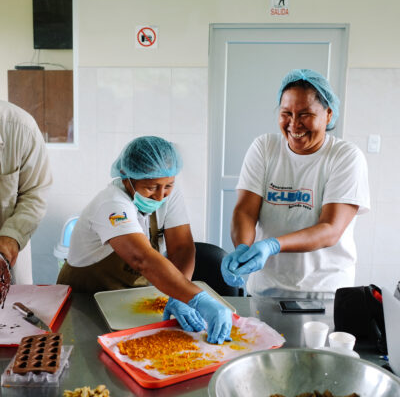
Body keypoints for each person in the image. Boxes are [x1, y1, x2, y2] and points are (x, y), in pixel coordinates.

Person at [57, 136, 232, 344]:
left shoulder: (168, 193)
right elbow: (142, 259)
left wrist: (180, 295)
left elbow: (182, 248)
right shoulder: (112, 204)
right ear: (127, 179)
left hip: (131, 302)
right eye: (151, 187)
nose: (160, 196)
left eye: (168, 185)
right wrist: (198, 298)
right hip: (85, 303)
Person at [221, 69, 370, 298]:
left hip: (324, 293)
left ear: (328, 115)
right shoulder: (265, 148)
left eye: (305, 114)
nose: (293, 124)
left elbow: (330, 229)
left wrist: (272, 245)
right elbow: (245, 211)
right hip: (265, 290)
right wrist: (243, 246)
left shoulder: (345, 157)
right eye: (286, 113)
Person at [0, 100, 52, 285]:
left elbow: (35, 193)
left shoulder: (20, 127)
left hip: (5, 249)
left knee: (11, 309)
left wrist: (12, 235)